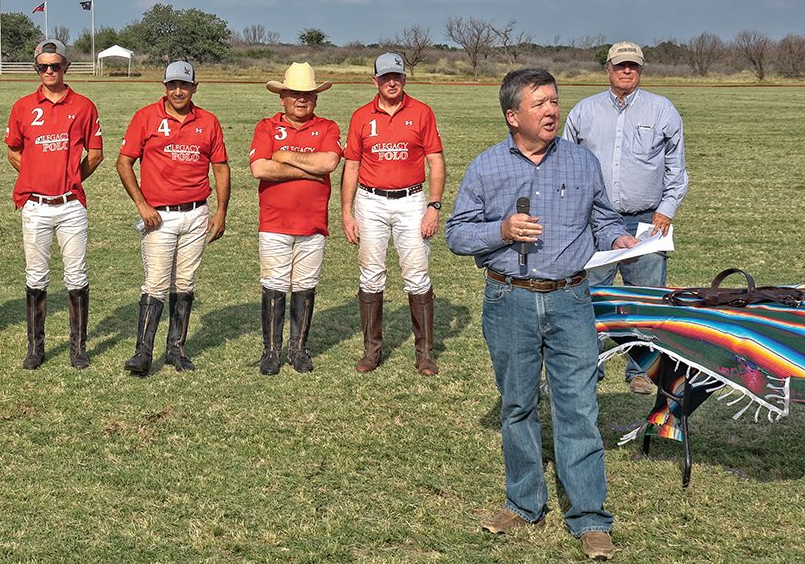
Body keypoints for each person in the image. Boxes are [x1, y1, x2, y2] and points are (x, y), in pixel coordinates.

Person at [446, 68, 635, 561]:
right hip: (509, 300)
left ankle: (590, 517)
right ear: (513, 116)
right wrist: (502, 230)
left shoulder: (581, 161)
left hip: (572, 299)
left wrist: (617, 237)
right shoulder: (486, 168)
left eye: (554, 101)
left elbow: (603, 217)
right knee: (518, 404)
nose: (552, 110)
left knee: (578, 407)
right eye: (540, 104)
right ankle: (523, 503)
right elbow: (457, 235)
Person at [562, 41, 688, 395]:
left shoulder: (662, 110)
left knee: (645, 298)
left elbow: (677, 172)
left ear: (641, 69)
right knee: (589, 296)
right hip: (594, 221)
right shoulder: (584, 112)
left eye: (633, 65)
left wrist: (666, 210)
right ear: (609, 69)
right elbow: (566, 165)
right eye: (620, 65)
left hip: (647, 219)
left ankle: (639, 369)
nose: (627, 70)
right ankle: (590, 366)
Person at [116, 60, 230, 375]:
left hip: (196, 213)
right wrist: (141, 204)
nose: (178, 91)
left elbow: (220, 167)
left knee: (185, 282)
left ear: (194, 87)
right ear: (164, 87)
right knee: (155, 282)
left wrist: (221, 211)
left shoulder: (208, 121)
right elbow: (124, 163)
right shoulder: (145, 117)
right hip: (159, 217)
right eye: (172, 85)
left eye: (184, 85)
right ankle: (143, 352)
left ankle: (176, 350)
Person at [340, 52, 446, 375]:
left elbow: (436, 161)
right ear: (374, 80)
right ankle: (372, 350)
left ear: (404, 79)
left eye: (396, 77)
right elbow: (352, 166)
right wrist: (346, 211)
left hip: (411, 200)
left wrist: (434, 204)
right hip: (370, 201)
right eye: (385, 77)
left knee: (417, 273)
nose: (391, 82)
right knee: (370, 273)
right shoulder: (361, 117)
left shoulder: (422, 112)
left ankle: (424, 353)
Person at [4, 39, 103, 370]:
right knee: (36, 276)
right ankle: (36, 347)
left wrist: (72, 176)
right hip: (35, 205)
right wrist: (35, 174)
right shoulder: (22, 107)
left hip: (70, 204)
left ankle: (78, 347)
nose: (49, 71)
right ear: (36, 68)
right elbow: (14, 151)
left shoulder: (84, 106)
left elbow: (97, 153)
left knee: (76, 275)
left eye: (55, 66)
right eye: (42, 66)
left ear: (66, 67)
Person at [249, 62, 342, 375]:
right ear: (282, 97)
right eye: (294, 94)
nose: (301, 99)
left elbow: (329, 162)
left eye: (308, 94)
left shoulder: (328, 127)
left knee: (305, 285)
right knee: (274, 285)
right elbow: (260, 169)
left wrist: (284, 156)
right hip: (274, 222)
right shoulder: (266, 126)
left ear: (316, 98)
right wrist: (307, 170)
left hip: (313, 223)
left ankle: (298, 349)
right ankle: (271, 352)